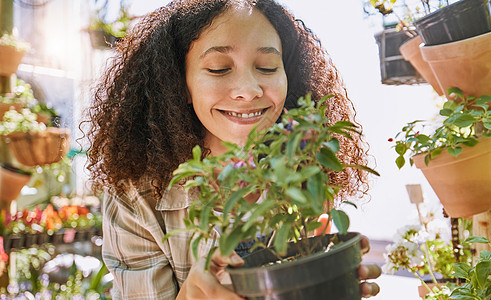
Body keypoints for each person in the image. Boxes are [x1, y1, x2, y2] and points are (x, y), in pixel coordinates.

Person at [84, 0, 381, 299]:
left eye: (267, 67)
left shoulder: (303, 167)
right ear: (181, 84)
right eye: (218, 68)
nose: (248, 89)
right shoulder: (137, 196)